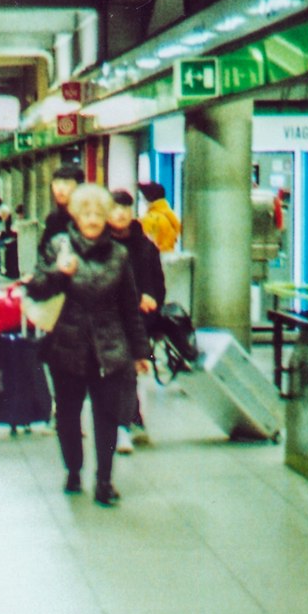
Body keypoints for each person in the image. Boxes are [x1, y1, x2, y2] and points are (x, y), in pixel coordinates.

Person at [25, 182, 150, 506]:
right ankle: (73, 471)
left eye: (99, 213)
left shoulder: (120, 255)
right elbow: (36, 288)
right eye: (86, 213)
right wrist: (60, 273)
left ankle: (105, 481)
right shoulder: (58, 246)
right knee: (67, 415)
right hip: (66, 345)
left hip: (109, 347)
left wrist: (140, 352)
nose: (93, 219)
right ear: (76, 216)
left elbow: (129, 306)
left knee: (107, 416)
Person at [108, 189, 165, 452]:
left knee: (128, 372)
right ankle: (130, 421)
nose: (120, 214)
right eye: (114, 208)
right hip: (107, 319)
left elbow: (158, 285)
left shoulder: (145, 246)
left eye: (125, 209)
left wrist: (151, 297)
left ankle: (124, 426)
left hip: (137, 321)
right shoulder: (100, 245)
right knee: (121, 373)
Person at [39, 161, 85, 251]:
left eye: (66, 183)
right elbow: (43, 251)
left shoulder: (87, 216)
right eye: (56, 183)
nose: (60, 189)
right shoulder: (53, 218)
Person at [137, 181, 182, 253]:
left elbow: (144, 247)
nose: (142, 200)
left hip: (153, 261)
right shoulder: (170, 216)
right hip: (168, 257)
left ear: (148, 198)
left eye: (142, 197)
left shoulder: (149, 219)